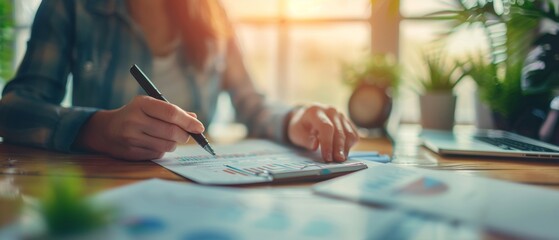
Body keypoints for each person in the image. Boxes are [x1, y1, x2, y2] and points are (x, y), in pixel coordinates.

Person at [0, 0, 359, 162]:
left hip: (194, 189)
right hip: (103, 190)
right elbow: (13, 111)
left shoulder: (213, 13)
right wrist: (96, 128)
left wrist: (296, 120)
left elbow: (252, 104)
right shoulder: (71, 6)